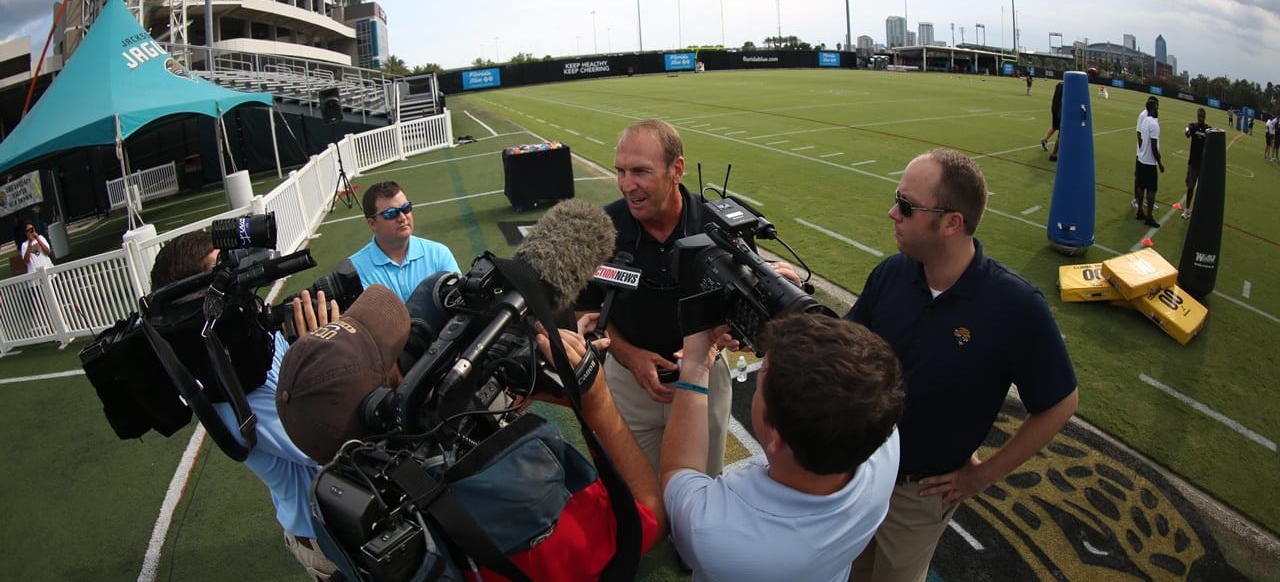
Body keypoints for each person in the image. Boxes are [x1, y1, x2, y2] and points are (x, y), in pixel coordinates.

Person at [275, 294, 665, 581]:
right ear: (385, 402)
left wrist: (323, 362)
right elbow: (646, 521)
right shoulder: (517, 498)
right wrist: (595, 399)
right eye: (402, 353)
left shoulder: (351, 509)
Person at [845, 148, 1078, 582]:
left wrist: (982, 476)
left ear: (952, 223)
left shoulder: (1014, 306)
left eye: (908, 205)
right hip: (858, 470)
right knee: (846, 570)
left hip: (919, 492)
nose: (892, 212)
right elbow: (844, 348)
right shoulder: (892, 274)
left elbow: (1059, 403)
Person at [150, 231, 341, 582]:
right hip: (330, 537)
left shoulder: (247, 349)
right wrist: (329, 352)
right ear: (199, 297)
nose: (236, 273)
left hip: (344, 508)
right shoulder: (233, 389)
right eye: (221, 270)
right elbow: (329, 445)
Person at [661, 314, 903, 581]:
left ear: (777, 437)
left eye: (760, 382)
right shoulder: (885, 446)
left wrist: (695, 367)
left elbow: (678, 471)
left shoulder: (715, 533)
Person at [578, 119, 732, 478]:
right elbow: (587, 308)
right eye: (621, 171)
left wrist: (715, 342)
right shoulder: (602, 227)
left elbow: (744, 303)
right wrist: (630, 356)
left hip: (705, 380)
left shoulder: (721, 222)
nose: (627, 184)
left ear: (676, 169)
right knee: (639, 503)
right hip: (629, 386)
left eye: (640, 172)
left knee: (702, 498)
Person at [349, 180, 460, 301]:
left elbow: (459, 301)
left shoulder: (438, 254)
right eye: (391, 213)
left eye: (406, 208)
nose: (402, 217)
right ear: (372, 223)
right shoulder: (354, 272)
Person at [1135, 97, 1165, 227]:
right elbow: (1154, 147)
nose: (1158, 109)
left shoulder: (1145, 121)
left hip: (1141, 159)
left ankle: (1139, 210)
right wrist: (1160, 163)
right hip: (1149, 162)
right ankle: (1149, 217)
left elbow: (1141, 138)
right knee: (1152, 190)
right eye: (1156, 107)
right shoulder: (1154, 124)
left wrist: (1142, 151)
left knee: (1141, 186)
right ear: (1153, 109)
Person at [1183, 108, 1210, 219]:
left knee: (1201, 190)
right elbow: (1188, 130)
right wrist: (1187, 131)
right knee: (1190, 187)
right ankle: (1187, 210)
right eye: (1199, 116)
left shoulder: (1208, 129)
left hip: (1203, 165)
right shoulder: (1193, 126)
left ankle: (1198, 212)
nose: (1200, 119)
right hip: (1193, 163)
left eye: (1202, 117)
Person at [1039, 81, 1063, 161]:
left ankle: (1045, 139)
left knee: (1055, 126)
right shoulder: (1067, 87)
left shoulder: (1060, 84)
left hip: (1054, 109)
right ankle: (1054, 154)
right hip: (1060, 111)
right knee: (1062, 133)